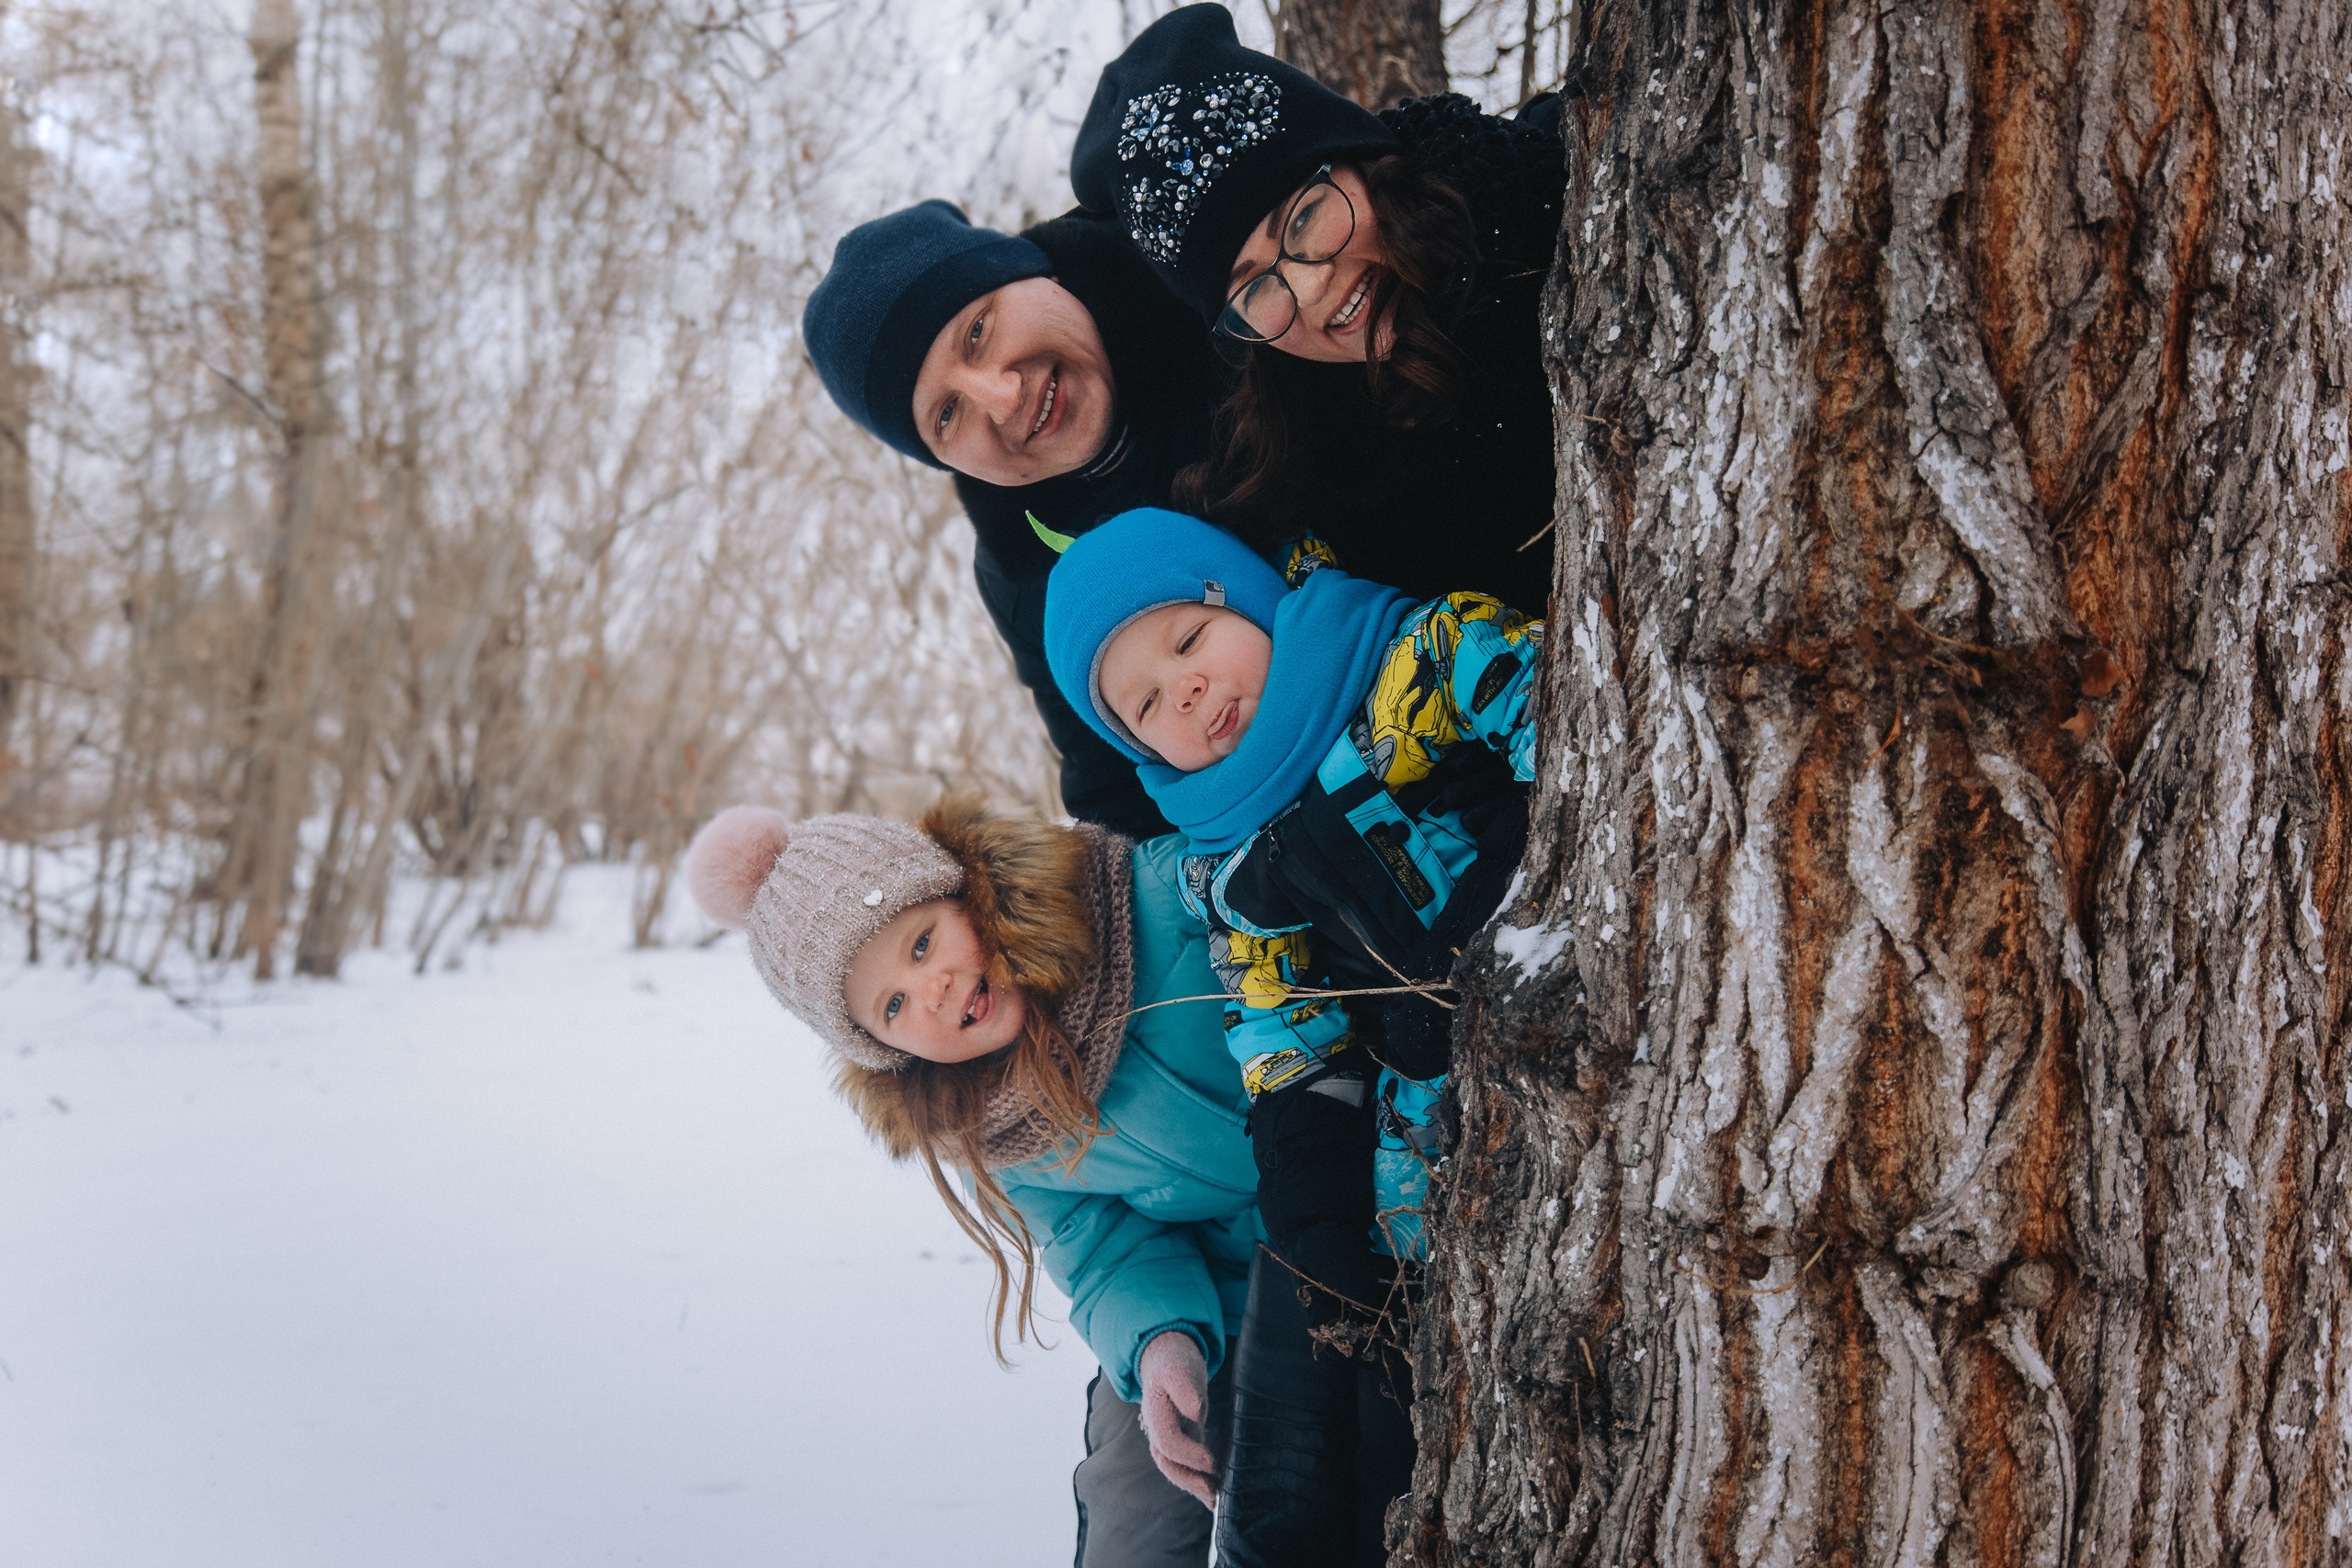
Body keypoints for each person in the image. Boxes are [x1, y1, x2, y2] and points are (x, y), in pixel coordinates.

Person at [1041, 507, 1545, 1564]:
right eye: (1142, 704)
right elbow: (1285, 1038)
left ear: (1249, 599)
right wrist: (1318, 1230)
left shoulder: (1411, 664)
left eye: (1187, 641)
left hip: (1549, 995)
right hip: (1424, 1121)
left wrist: (1484, 933)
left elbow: (1566, 737)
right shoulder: (1233, 866)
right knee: (1375, 1393)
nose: (1183, 689)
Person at [681, 796, 1261, 1566]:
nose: (935, 990)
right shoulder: (996, 1125)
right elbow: (1101, 1243)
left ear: (961, 892)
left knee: (1302, 1494)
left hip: (1360, 1212)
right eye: (892, 1004)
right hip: (1222, 1291)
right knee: (1135, 1498)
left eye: (922, 943)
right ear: (883, 1048)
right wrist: (1162, 1344)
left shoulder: (1143, 902)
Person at [1070, 4, 1566, 615]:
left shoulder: (1551, 185)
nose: (1307, 289)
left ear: (1358, 159)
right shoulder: (1317, 483)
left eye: (1304, 219)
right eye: (1253, 287)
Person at [802, 201, 1228, 840]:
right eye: (947, 414)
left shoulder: (1219, 276)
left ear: (1035, 272)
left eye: (976, 332)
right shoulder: (1026, 580)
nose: (1003, 401)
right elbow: (1121, 801)